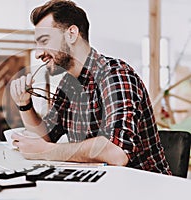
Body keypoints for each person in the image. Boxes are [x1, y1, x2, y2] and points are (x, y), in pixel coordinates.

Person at [9, 0, 171, 174]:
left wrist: (46, 151)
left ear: (71, 34)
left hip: (144, 188)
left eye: (45, 41)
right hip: (100, 184)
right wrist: (24, 105)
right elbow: (45, 138)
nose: (38, 53)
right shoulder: (68, 84)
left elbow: (117, 153)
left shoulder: (115, 75)